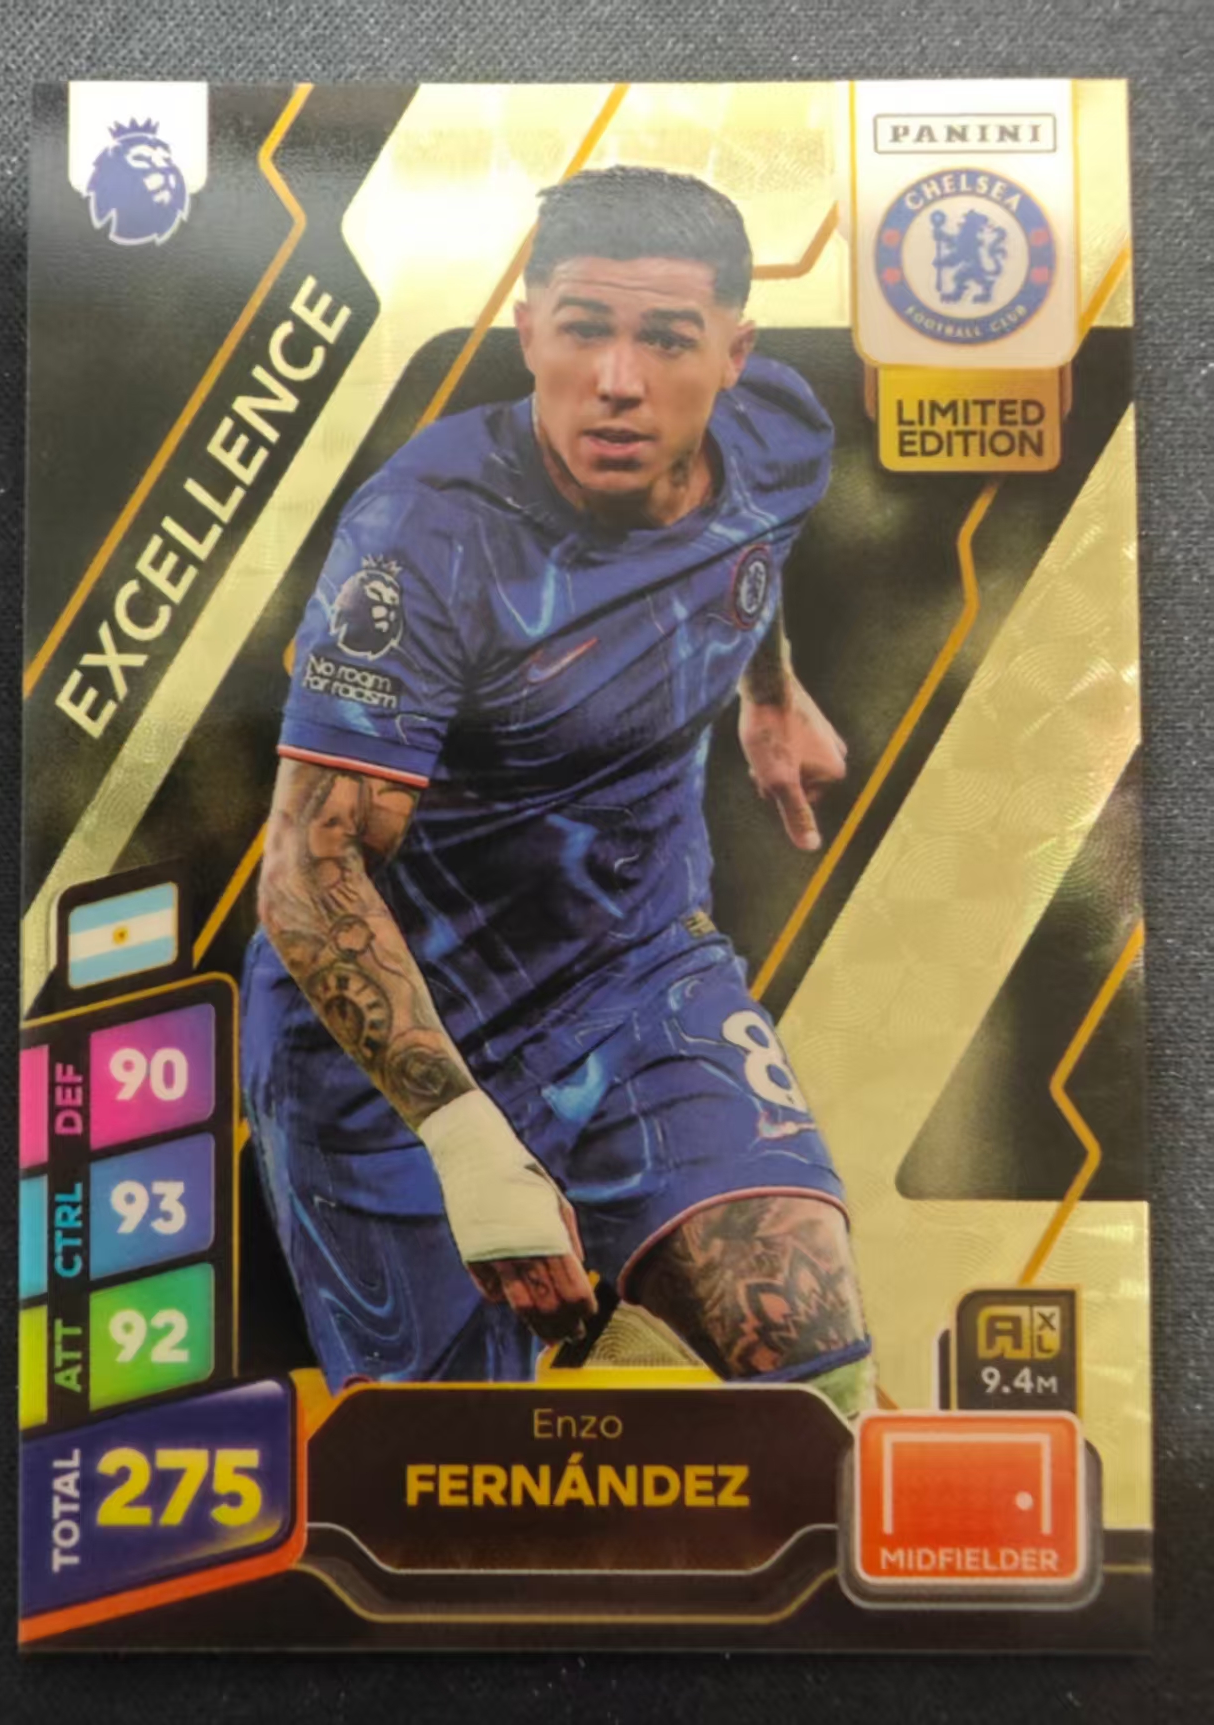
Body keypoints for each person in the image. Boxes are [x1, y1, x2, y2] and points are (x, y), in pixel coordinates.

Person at [241, 165, 873, 1413]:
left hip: (637, 977)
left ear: (735, 356)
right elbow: (306, 875)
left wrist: (766, 690)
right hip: (382, 1054)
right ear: (528, 330)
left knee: (809, 1350)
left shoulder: (781, 438)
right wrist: (469, 1147)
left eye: (668, 340)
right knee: (451, 1476)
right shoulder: (423, 534)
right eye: (584, 330)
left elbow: (748, 552)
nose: (618, 380)